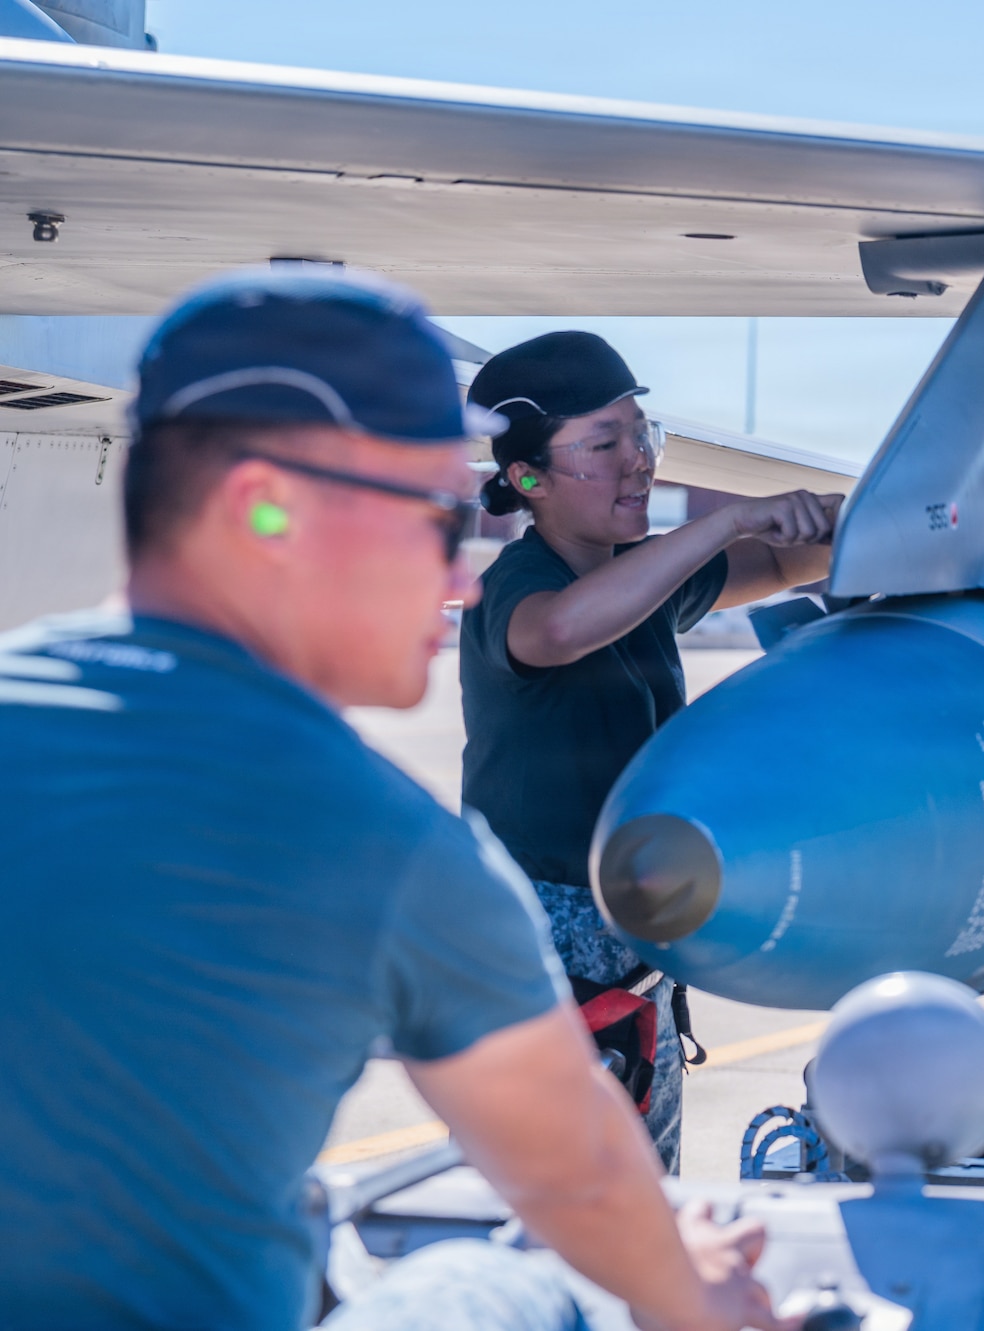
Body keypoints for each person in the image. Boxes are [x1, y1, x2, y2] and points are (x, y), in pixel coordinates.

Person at [0, 269, 784, 1331]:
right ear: (261, 511)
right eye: (430, 515)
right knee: (524, 1279)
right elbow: (584, 1176)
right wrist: (692, 1280)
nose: (457, 566)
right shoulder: (382, 845)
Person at [459, 331, 840, 1174]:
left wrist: (880, 513)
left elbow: (782, 561)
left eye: (643, 436)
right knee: (547, 1206)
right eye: (605, 444)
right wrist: (729, 518)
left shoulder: (643, 582)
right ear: (528, 479)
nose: (639, 462)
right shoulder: (519, 585)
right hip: (539, 957)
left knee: (640, 1195)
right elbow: (556, 630)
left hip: (634, 958)